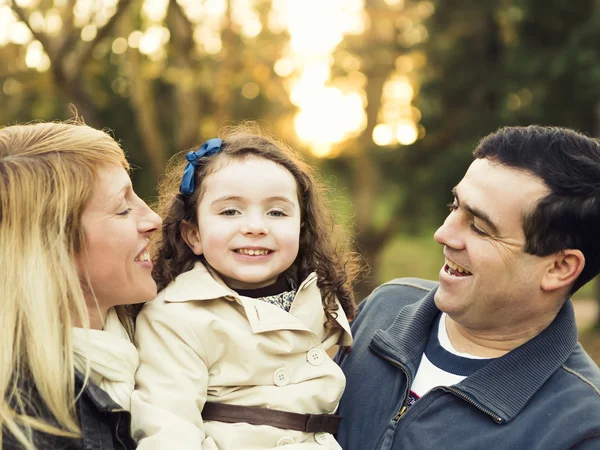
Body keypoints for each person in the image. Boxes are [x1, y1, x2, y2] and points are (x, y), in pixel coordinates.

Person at [335, 125, 600, 449]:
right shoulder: (381, 309)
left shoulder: (582, 427)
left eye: (479, 227)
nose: (443, 234)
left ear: (559, 268)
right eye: (454, 206)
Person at [130, 125, 359, 449]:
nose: (255, 227)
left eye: (277, 212)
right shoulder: (176, 316)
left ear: (301, 228)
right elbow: (168, 426)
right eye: (230, 211)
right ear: (193, 234)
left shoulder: (321, 298)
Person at [0, 120, 162, 450]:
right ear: (53, 247)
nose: (153, 219)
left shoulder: (176, 332)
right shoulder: (23, 424)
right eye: (123, 209)